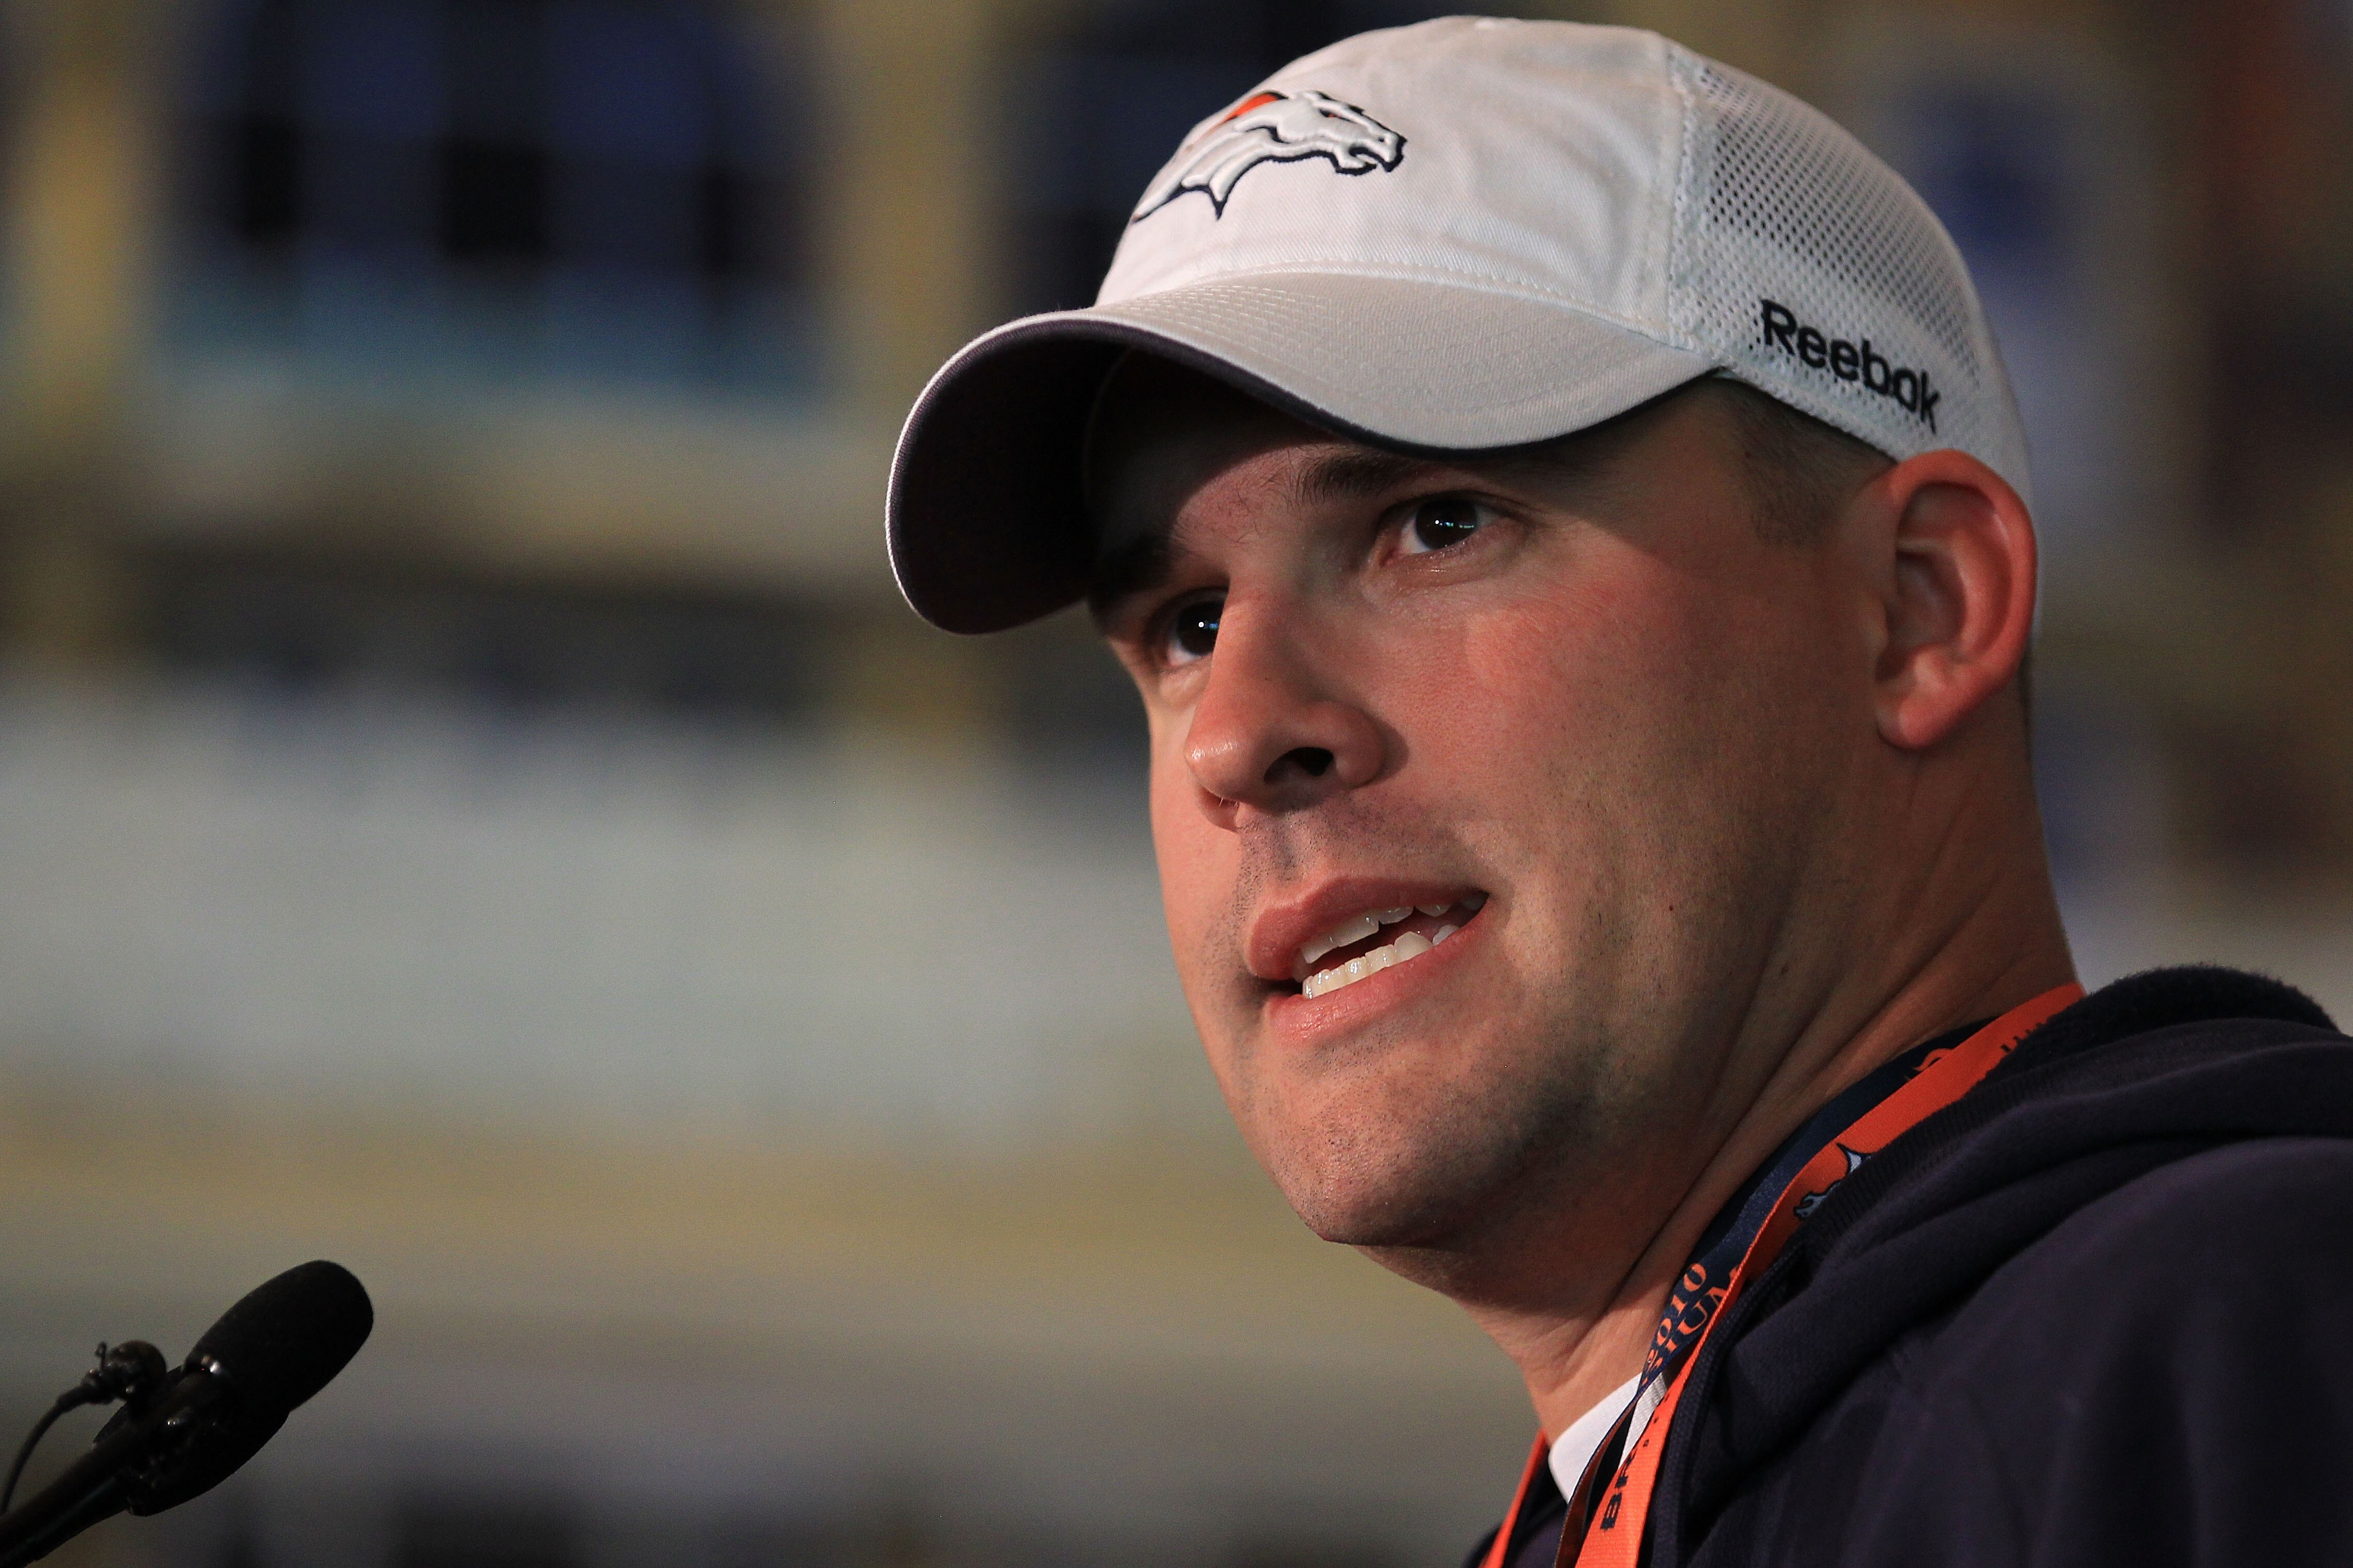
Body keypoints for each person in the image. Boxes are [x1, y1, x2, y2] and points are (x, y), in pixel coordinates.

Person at [885, 19, 2353, 1566]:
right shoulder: (1754, 1462)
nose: (1234, 734)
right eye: (1183, 624)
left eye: (1434, 523)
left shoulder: (2215, 1337)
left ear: (1920, 605)